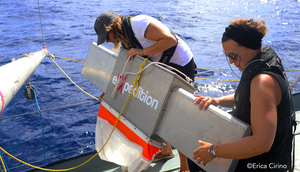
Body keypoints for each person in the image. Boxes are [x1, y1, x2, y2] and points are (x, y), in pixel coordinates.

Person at [180, 18, 296, 172]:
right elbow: (251, 99)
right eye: (227, 56)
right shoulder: (262, 60)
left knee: (196, 162)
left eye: (234, 55)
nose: (231, 61)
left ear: (250, 47)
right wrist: (217, 100)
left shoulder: (263, 82)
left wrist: (213, 151)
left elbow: (262, 143)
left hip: (264, 164)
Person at [94, 12, 197, 163]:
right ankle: (166, 149)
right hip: (162, 67)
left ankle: (185, 167)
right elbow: (125, 68)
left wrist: (141, 52)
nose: (108, 42)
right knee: (159, 111)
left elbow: (170, 40)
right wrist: (108, 92)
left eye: (106, 37)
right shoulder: (124, 40)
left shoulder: (138, 25)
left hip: (179, 65)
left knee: (173, 116)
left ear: (112, 28)